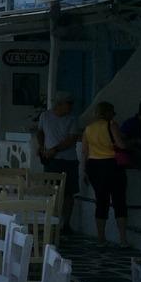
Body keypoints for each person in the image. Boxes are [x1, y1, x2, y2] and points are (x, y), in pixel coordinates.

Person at [82, 101, 129, 247]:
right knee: (119, 201)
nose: (114, 114)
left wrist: (84, 171)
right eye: (112, 111)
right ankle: (123, 240)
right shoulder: (111, 125)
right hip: (111, 165)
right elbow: (121, 145)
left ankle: (101, 238)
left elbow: (85, 151)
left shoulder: (88, 128)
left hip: (94, 166)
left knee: (101, 201)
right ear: (107, 112)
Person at [37, 92, 81, 232]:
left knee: (69, 193)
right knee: (51, 192)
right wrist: (42, 147)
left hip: (68, 160)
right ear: (60, 104)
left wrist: (54, 149)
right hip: (51, 161)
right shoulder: (45, 116)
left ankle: (65, 224)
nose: (71, 106)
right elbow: (40, 132)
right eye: (69, 103)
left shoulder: (72, 119)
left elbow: (72, 139)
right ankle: (50, 222)